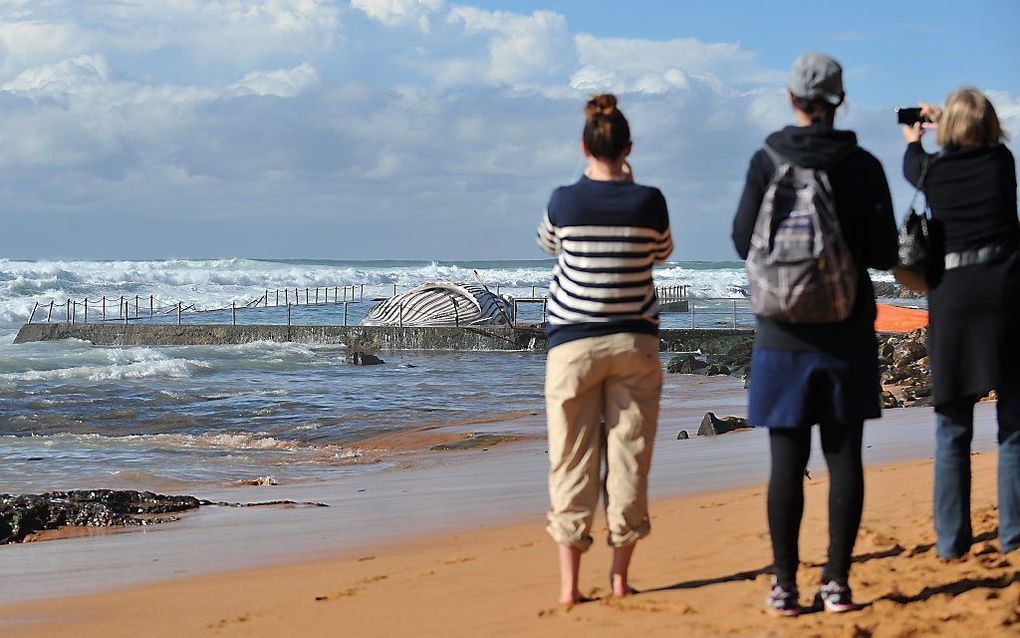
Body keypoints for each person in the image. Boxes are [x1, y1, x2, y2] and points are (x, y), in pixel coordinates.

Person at [732, 53, 898, 616]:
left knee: (786, 459)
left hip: (781, 333)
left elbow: (741, 241)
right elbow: (881, 252)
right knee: (844, 455)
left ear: (790, 98)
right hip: (847, 330)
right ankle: (837, 584)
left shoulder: (766, 158)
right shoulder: (863, 163)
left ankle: (783, 584)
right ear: (840, 100)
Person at [536, 94, 672, 605]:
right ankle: (619, 578)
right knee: (629, 457)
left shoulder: (563, 200)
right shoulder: (649, 200)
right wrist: (630, 189)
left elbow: (549, 244)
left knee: (570, 460)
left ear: (583, 145)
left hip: (572, 344)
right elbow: (662, 251)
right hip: (634, 340)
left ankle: (570, 587)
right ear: (628, 148)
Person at [901, 88, 1019, 559]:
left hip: (952, 297)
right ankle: (1013, 537)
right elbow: (981, 137)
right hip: (1006, 293)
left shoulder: (931, 169)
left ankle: (951, 542)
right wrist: (952, 116)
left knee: (952, 426)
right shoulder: (1001, 163)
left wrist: (916, 135)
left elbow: (912, 164)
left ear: (948, 129)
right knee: (1014, 425)